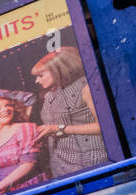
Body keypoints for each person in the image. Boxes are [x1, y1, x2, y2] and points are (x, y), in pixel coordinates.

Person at [30, 47, 109, 178]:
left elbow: (104, 126)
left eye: (41, 75)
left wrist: (60, 129)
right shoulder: (50, 94)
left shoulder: (86, 88)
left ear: (58, 69)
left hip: (89, 160)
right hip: (61, 165)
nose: (37, 81)